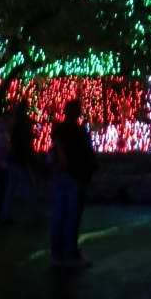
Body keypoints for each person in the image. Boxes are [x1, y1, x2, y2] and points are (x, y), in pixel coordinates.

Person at [50, 99, 97, 268]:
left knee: (58, 215)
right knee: (72, 217)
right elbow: (86, 155)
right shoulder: (79, 133)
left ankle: (56, 255)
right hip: (76, 176)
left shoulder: (58, 130)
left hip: (60, 175)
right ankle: (71, 255)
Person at [0, 102, 37, 226]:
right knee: (29, 185)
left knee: (11, 187)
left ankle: (5, 216)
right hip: (21, 158)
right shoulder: (24, 122)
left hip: (14, 158)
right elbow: (25, 139)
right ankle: (31, 216)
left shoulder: (15, 122)